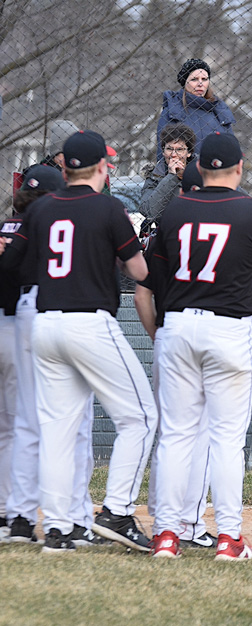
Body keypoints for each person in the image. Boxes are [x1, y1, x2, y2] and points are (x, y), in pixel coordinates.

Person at [0, 131, 157, 553]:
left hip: (43, 324)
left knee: (56, 429)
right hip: (89, 322)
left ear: (65, 167)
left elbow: (15, 263)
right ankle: (118, 512)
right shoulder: (109, 207)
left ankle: (58, 529)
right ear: (102, 169)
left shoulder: (43, 209)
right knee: (141, 418)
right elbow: (139, 271)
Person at [148, 132, 252, 559]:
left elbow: (154, 278)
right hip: (228, 328)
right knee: (226, 439)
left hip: (178, 325)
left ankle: (166, 535)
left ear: (200, 168)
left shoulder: (175, 210)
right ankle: (229, 537)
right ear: (240, 167)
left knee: (175, 435)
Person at [3, 165, 103, 547]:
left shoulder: (17, 223)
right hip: (60, 311)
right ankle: (75, 521)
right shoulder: (60, 217)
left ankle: (21, 520)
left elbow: (9, 266)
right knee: (75, 424)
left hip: (24, 312)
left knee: (27, 422)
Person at [134, 160, 216, 550]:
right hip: (210, 339)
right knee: (200, 436)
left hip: (169, 337)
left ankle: (162, 522)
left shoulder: (166, 228)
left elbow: (141, 292)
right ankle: (191, 524)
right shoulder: (229, 227)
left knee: (169, 435)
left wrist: (156, 335)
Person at [156, 58, 235, 162]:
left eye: (204, 79)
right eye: (194, 79)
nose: (200, 84)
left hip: (217, 174)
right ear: (185, 82)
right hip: (183, 175)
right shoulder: (173, 110)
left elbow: (232, 150)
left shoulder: (219, 110)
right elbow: (163, 154)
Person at [139, 123, 197, 227]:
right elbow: (150, 211)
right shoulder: (155, 176)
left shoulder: (202, 173)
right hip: (167, 232)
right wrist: (171, 177)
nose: (174, 154)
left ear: (188, 153)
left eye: (179, 149)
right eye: (169, 149)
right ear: (163, 151)